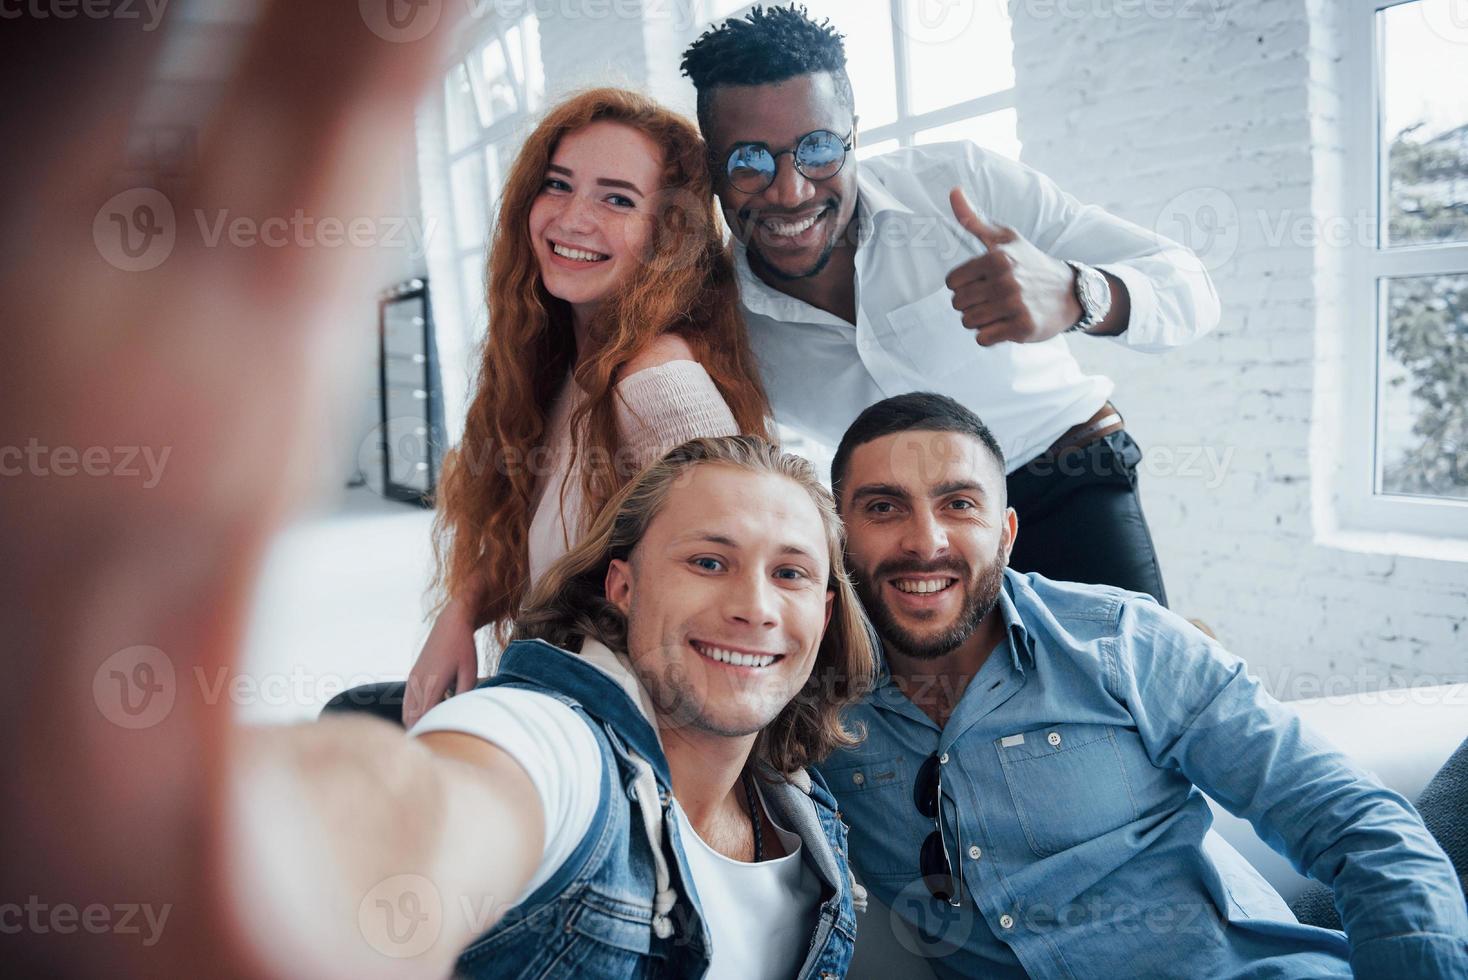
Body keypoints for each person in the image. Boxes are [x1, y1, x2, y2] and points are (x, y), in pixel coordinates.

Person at [819, 392, 1468, 979]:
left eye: (959, 504)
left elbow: (1352, 819)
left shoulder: (1127, 642)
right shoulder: (810, 704)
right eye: (883, 507)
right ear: (839, 539)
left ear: (1007, 535)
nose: (924, 541)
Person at [681, 5, 1225, 607]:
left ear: (855, 134)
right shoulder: (716, 315)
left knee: (1122, 686)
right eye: (750, 161)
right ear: (711, 170)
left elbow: (1188, 288)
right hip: (886, 536)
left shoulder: (963, 184)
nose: (791, 191)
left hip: (1061, 479)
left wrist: (1077, 293)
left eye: (818, 149)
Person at [400, 435, 876, 978]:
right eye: (709, 562)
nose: (755, 608)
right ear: (624, 587)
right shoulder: (551, 745)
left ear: (825, 612)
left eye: (790, 574)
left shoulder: (806, 816)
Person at [402, 88, 773, 726]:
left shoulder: (660, 387)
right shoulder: (570, 363)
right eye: (558, 185)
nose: (572, 218)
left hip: (622, 741)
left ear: (667, 236)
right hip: (558, 706)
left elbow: (735, 602)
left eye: (616, 198)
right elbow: (528, 523)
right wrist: (461, 612)